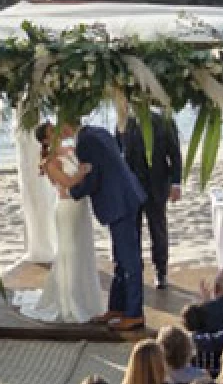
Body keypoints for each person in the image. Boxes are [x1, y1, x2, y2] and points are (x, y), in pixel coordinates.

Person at [43, 118, 150, 331]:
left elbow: (94, 176)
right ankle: (117, 307)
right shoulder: (98, 131)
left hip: (118, 202)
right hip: (126, 197)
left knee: (129, 260)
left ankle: (134, 313)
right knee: (120, 258)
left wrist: (73, 193)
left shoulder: (85, 142)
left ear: (67, 125)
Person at [19, 123, 107, 325]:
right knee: (69, 253)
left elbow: (79, 136)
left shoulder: (70, 150)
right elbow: (67, 182)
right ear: (46, 140)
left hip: (81, 208)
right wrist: (83, 172)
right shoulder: (50, 162)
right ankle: (70, 304)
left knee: (83, 251)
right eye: (52, 131)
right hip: (67, 208)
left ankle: (86, 300)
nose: (56, 131)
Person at [117, 111, 182, 290]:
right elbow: (118, 153)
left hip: (157, 185)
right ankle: (135, 269)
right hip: (132, 187)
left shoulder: (164, 121)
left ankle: (161, 271)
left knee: (158, 229)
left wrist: (176, 183)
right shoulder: (125, 121)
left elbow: (175, 154)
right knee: (132, 230)